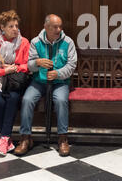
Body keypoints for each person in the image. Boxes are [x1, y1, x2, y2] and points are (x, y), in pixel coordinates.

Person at [15, 14, 77, 157]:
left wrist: (58, 73)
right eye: (55, 27)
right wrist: (37, 63)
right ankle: (25, 138)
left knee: (61, 101)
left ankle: (62, 138)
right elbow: (29, 65)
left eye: (60, 26)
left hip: (60, 82)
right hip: (39, 82)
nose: (59, 29)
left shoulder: (68, 42)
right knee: (27, 100)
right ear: (46, 27)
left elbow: (72, 65)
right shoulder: (36, 42)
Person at [0, 10, 30, 156]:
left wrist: (14, 68)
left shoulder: (24, 42)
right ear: (2, 27)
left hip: (15, 82)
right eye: (11, 26)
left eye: (16, 25)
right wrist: (3, 71)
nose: (15, 29)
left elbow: (28, 65)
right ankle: (6, 138)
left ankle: (3, 138)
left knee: (13, 98)